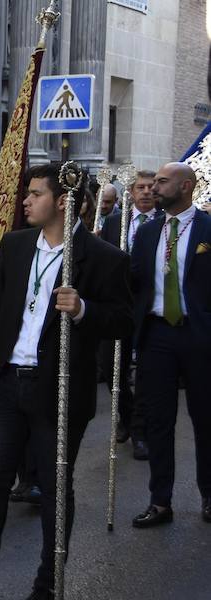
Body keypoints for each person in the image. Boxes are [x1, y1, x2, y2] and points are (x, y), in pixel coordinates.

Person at [0, 163, 132, 600]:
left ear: (64, 200)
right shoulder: (16, 245)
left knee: (53, 488)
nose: (25, 200)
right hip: (7, 383)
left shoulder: (104, 257)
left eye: (34, 193)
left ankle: (47, 585)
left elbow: (124, 322)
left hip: (59, 387)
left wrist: (83, 308)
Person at [130, 162, 211, 529]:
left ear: (186, 186)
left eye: (162, 182)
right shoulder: (147, 234)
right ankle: (160, 500)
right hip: (157, 334)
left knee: (205, 418)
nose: (154, 189)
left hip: (200, 335)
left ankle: (209, 495)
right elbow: (133, 283)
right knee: (158, 421)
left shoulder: (208, 229)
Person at [98, 170, 158, 460]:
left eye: (151, 187)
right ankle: (125, 412)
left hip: (148, 305)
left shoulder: (162, 223)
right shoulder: (113, 223)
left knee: (145, 372)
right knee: (112, 368)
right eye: (140, 187)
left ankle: (140, 430)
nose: (146, 192)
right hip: (117, 303)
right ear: (131, 192)